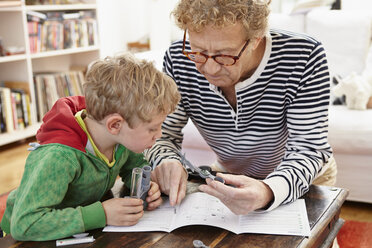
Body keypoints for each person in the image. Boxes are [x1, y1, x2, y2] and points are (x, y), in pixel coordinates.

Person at [145, 0, 337, 214]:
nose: (209, 68)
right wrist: (166, 160)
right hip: (231, 174)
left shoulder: (305, 56)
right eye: (198, 51)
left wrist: (267, 190)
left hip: (304, 179)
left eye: (224, 55)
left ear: (256, 39)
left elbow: (308, 149)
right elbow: (161, 134)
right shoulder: (178, 59)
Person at [0, 53, 180, 241]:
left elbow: (133, 168)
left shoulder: (120, 140)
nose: (159, 134)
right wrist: (101, 214)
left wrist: (147, 187)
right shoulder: (58, 157)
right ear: (115, 125)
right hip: (23, 238)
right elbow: (25, 224)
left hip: (77, 235)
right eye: (153, 128)